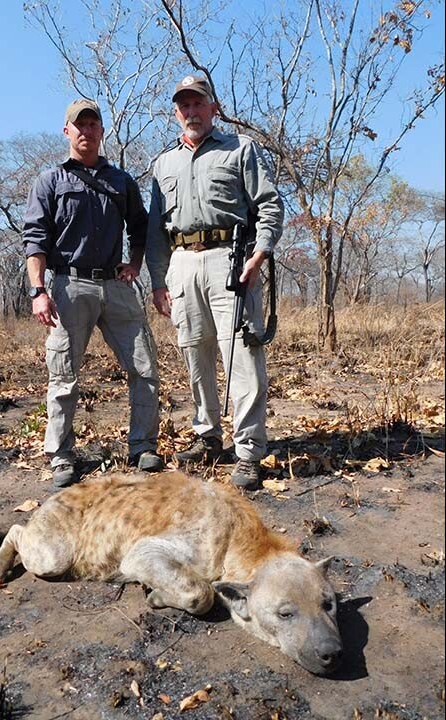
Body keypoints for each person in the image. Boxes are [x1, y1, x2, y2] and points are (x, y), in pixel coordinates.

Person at [146, 75, 283, 489]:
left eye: (198, 103)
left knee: (243, 359)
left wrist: (258, 256)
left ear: (213, 108)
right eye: (184, 105)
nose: (191, 111)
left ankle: (248, 451)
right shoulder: (163, 163)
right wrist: (158, 280)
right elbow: (155, 231)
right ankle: (208, 437)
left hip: (231, 261)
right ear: (176, 112)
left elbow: (269, 205)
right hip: (182, 265)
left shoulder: (241, 149)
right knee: (195, 357)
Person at [23, 98, 163, 488]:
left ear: (102, 131)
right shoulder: (49, 181)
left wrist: (134, 265)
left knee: (144, 367)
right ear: (67, 131)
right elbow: (34, 239)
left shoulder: (121, 181)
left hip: (116, 285)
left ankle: (143, 446)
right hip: (68, 285)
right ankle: (61, 455)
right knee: (64, 374)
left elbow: (141, 228)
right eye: (78, 125)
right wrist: (38, 290)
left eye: (93, 125)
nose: (86, 131)